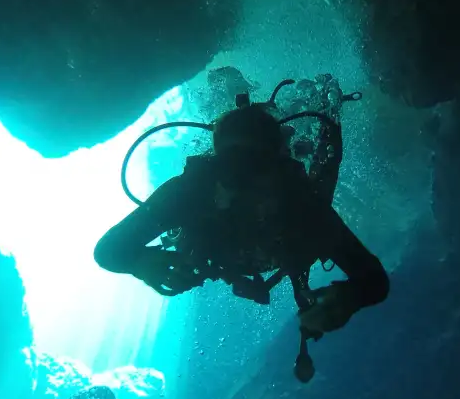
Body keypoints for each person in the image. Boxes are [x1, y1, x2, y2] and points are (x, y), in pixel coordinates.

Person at [93, 100, 389, 338]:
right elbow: (107, 251)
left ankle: (328, 107)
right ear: (214, 165)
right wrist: (139, 263)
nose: (244, 183)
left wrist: (351, 297)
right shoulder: (188, 192)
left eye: (255, 167)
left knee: (323, 178)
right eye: (233, 167)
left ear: (280, 167)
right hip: (239, 248)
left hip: (282, 238)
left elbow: (374, 281)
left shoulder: (304, 206)